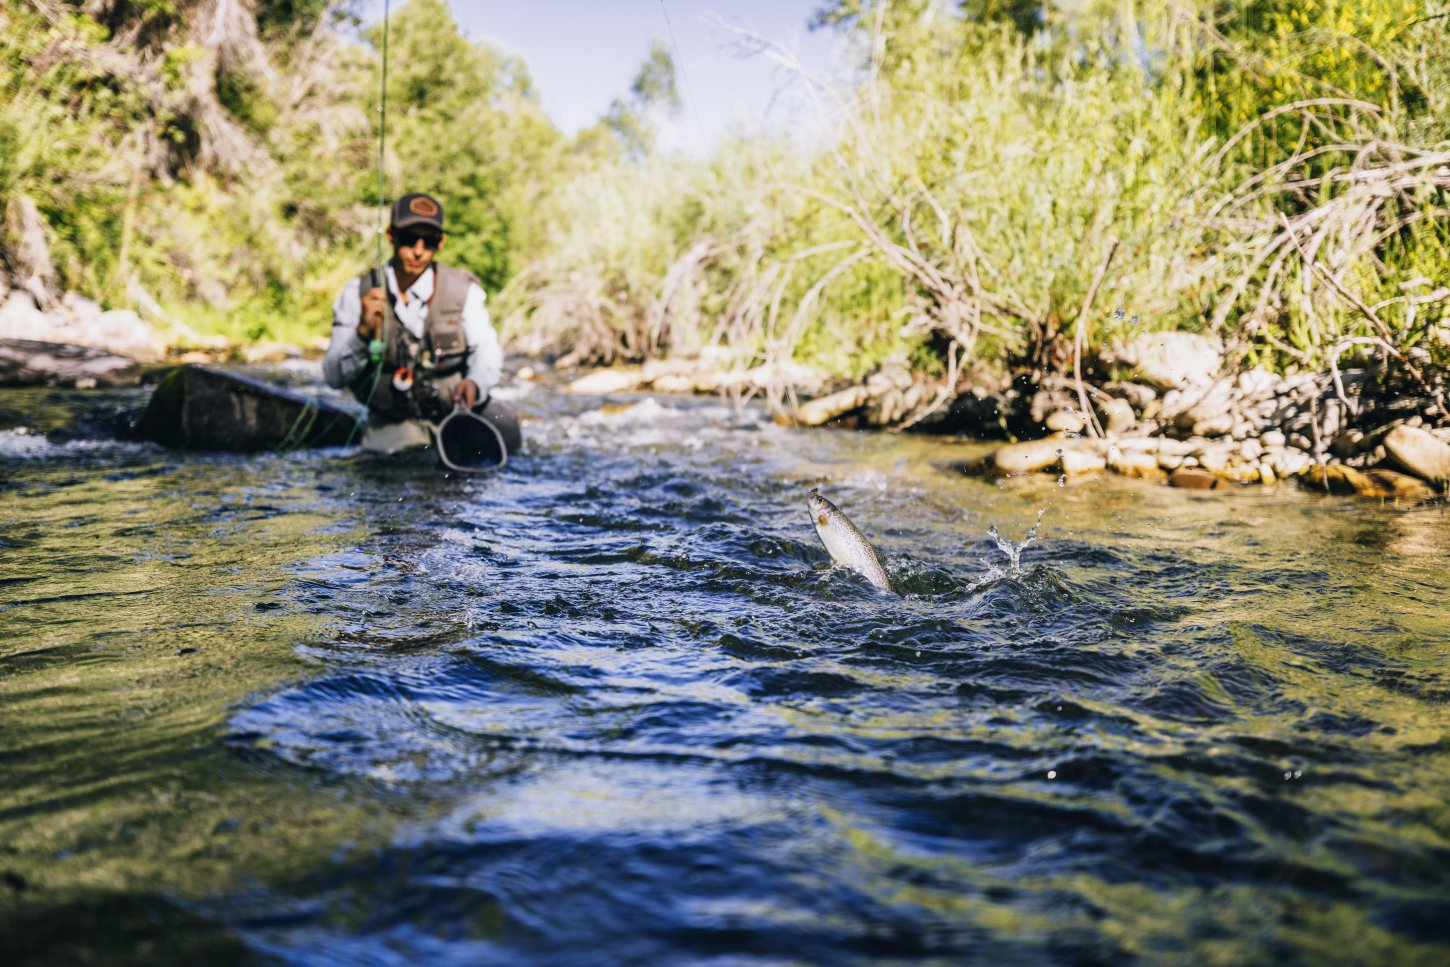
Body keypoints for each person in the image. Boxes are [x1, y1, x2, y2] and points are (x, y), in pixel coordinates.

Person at [323, 191, 515, 456]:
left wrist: (475, 383)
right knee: (406, 456)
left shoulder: (465, 291)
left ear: (442, 243)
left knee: (506, 429)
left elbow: (487, 350)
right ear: (391, 236)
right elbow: (333, 377)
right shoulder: (359, 293)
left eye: (430, 241)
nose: (418, 251)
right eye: (409, 239)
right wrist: (362, 332)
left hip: (455, 414)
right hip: (394, 421)